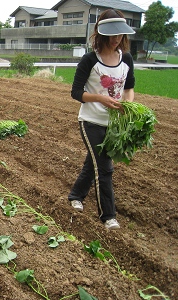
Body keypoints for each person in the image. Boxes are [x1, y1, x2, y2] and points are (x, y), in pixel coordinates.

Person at [68, 9, 136, 230]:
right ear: (102, 33)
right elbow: (76, 92)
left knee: (94, 163)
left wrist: (128, 104)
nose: (117, 39)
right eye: (113, 35)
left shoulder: (126, 58)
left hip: (114, 124)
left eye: (120, 35)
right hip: (91, 120)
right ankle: (108, 216)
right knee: (104, 167)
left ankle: (76, 195)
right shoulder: (90, 60)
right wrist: (100, 98)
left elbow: (129, 88)